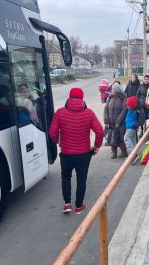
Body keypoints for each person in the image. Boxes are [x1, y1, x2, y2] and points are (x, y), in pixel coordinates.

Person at [49, 87, 104, 215]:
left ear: (69, 97)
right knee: (81, 179)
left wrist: (59, 141)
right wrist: (96, 146)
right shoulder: (89, 113)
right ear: (82, 98)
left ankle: (67, 204)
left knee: (66, 177)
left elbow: (52, 131)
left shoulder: (60, 112)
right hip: (84, 154)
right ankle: (79, 206)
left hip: (66, 153)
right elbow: (100, 131)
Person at [104, 83, 128, 159]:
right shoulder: (110, 98)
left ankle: (124, 152)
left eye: (113, 89)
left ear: (117, 90)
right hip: (111, 122)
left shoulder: (123, 98)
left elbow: (124, 110)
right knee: (111, 137)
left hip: (120, 122)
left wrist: (118, 121)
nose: (112, 90)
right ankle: (114, 153)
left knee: (120, 138)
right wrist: (106, 120)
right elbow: (106, 109)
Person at [123, 96, 145, 164]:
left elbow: (142, 121)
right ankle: (134, 155)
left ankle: (134, 156)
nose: (127, 107)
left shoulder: (139, 110)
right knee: (132, 140)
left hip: (131, 126)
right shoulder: (132, 105)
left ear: (133, 106)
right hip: (129, 125)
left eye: (129, 106)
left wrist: (136, 124)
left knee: (126, 138)